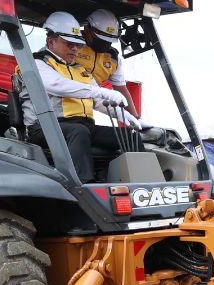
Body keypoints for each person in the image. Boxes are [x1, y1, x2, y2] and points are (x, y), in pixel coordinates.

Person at [22, 11, 135, 183]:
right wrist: (102, 91)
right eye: (69, 44)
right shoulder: (37, 62)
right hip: (44, 127)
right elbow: (57, 85)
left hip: (81, 125)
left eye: (77, 44)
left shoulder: (79, 69)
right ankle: (84, 184)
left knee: (129, 137)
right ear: (51, 41)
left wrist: (130, 119)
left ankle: (134, 182)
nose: (75, 49)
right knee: (79, 131)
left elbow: (99, 103)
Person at [75, 9, 137, 116]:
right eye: (101, 39)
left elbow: (121, 89)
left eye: (108, 41)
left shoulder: (113, 58)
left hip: (86, 108)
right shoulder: (71, 45)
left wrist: (136, 118)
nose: (104, 44)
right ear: (87, 29)